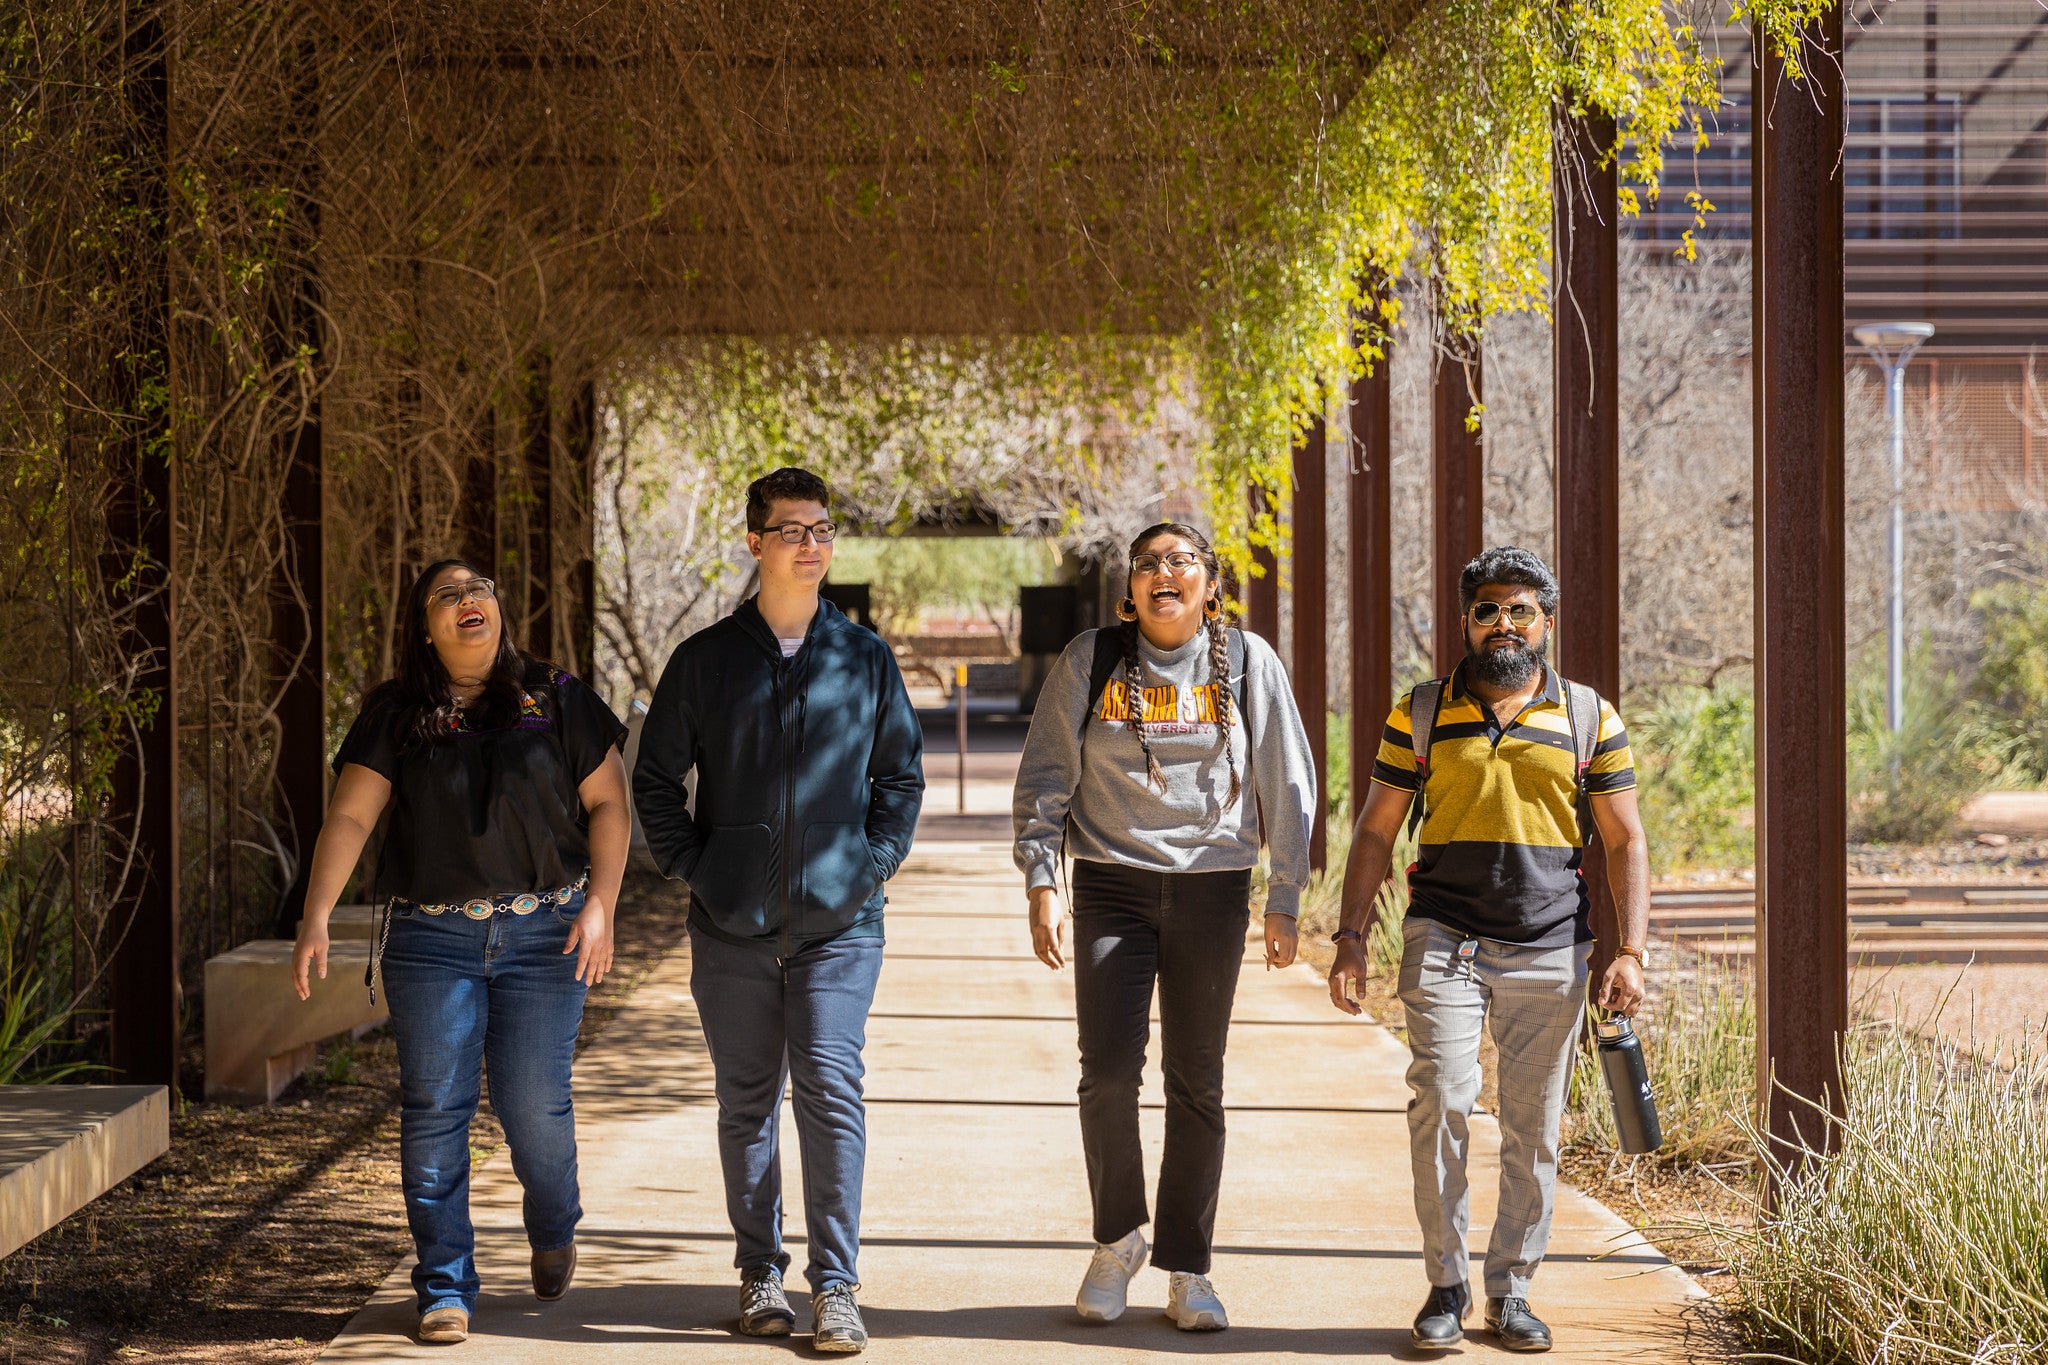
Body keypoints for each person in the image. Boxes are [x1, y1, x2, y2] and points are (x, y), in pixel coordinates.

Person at [292, 559, 630, 1345]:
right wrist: (315, 914)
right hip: (431, 940)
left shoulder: (558, 696)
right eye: (446, 595)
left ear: (498, 608)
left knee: (532, 1105)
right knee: (435, 1107)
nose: (467, 600)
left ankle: (554, 1220)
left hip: (547, 934)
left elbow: (610, 802)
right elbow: (349, 819)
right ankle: (444, 1285)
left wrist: (603, 905)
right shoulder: (396, 711)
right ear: (426, 628)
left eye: (477, 588)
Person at [1327, 546, 1648, 1354]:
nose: (1503, 623)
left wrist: (1631, 949)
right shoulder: (1423, 711)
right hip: (1445, 936)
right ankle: (1445, 1283)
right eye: (1486, 610)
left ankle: (1511, 1290)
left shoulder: (1587, 717)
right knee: (1440, 1096)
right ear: (1466, 622)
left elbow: (1624, 839)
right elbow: (1375, 828)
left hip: (1551, 945)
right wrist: (1350, 936)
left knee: (1534, 1125)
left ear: (1546, 620)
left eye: (1520, 609)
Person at [633, 466, 923, 1355]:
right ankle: (761, 1270)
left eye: (822, 528)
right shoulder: (705, 660)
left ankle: (836, 1285)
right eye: (791, 529)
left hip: (841, 929)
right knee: (747, 1102)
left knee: (832, 1092)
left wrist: (866, 870)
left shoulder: (864, 657)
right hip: (731, 929)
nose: (810, 543)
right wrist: (702, 869)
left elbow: (900, 779)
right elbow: (653, 782)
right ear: (754, 542)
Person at [1011, 521, 1316, 1333]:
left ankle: (1189, 1267)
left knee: (1196, 1081)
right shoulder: (1091, 659)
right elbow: (1044, 775)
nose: (1163, 573)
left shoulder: (1249, 662)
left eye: (1181, 561)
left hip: (1214, 888)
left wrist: (1285, 891)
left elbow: (1286, 774)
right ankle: (1117, 1241)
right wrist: (1043, 879)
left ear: (1211, 583)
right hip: (1111, 882)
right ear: (1131, 588)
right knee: (1107, 1071)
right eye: (1148, 563)